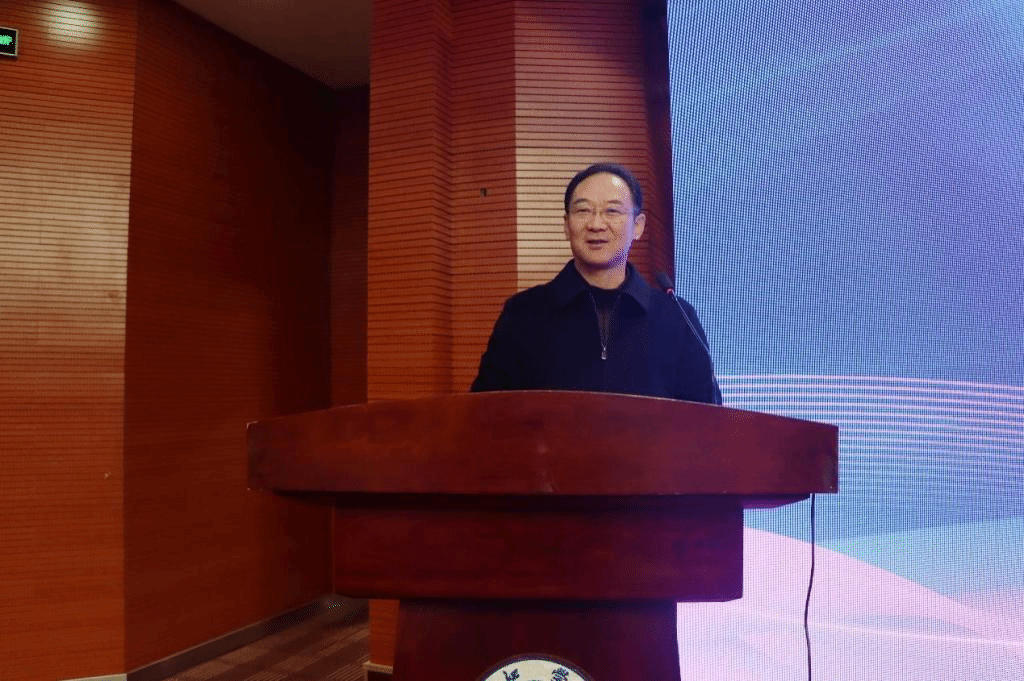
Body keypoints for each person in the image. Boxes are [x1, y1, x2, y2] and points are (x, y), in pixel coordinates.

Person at [471, 163, 722, 404]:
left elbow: (706, 417)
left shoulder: (677, 318)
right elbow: (486, 411)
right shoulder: (524, 313)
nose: (596, 225)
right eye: (583, 211)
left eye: (612, 211)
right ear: (566, 225)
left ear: (638, 226)